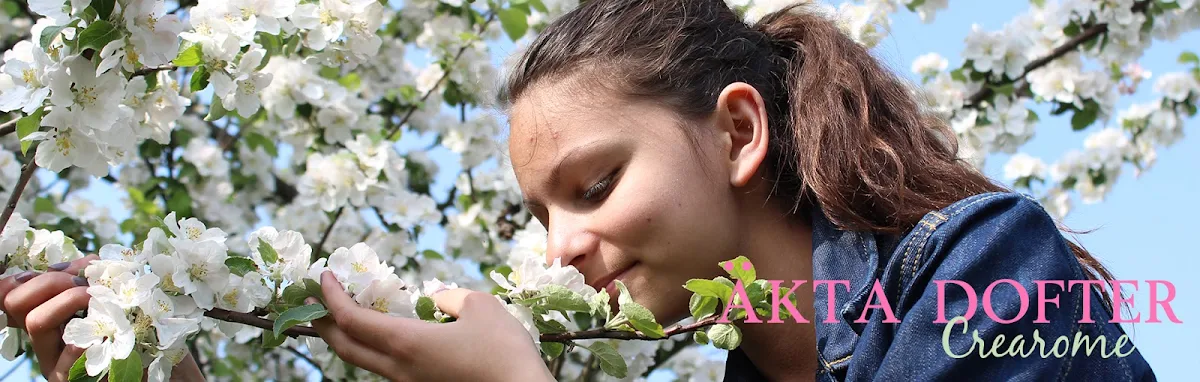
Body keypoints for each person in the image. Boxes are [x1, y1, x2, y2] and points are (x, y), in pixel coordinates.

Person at [1, 0, 1159, 381]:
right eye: (539, 212)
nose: (560, 246)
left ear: (739, 134)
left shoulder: (986, 269)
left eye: (593, 184)